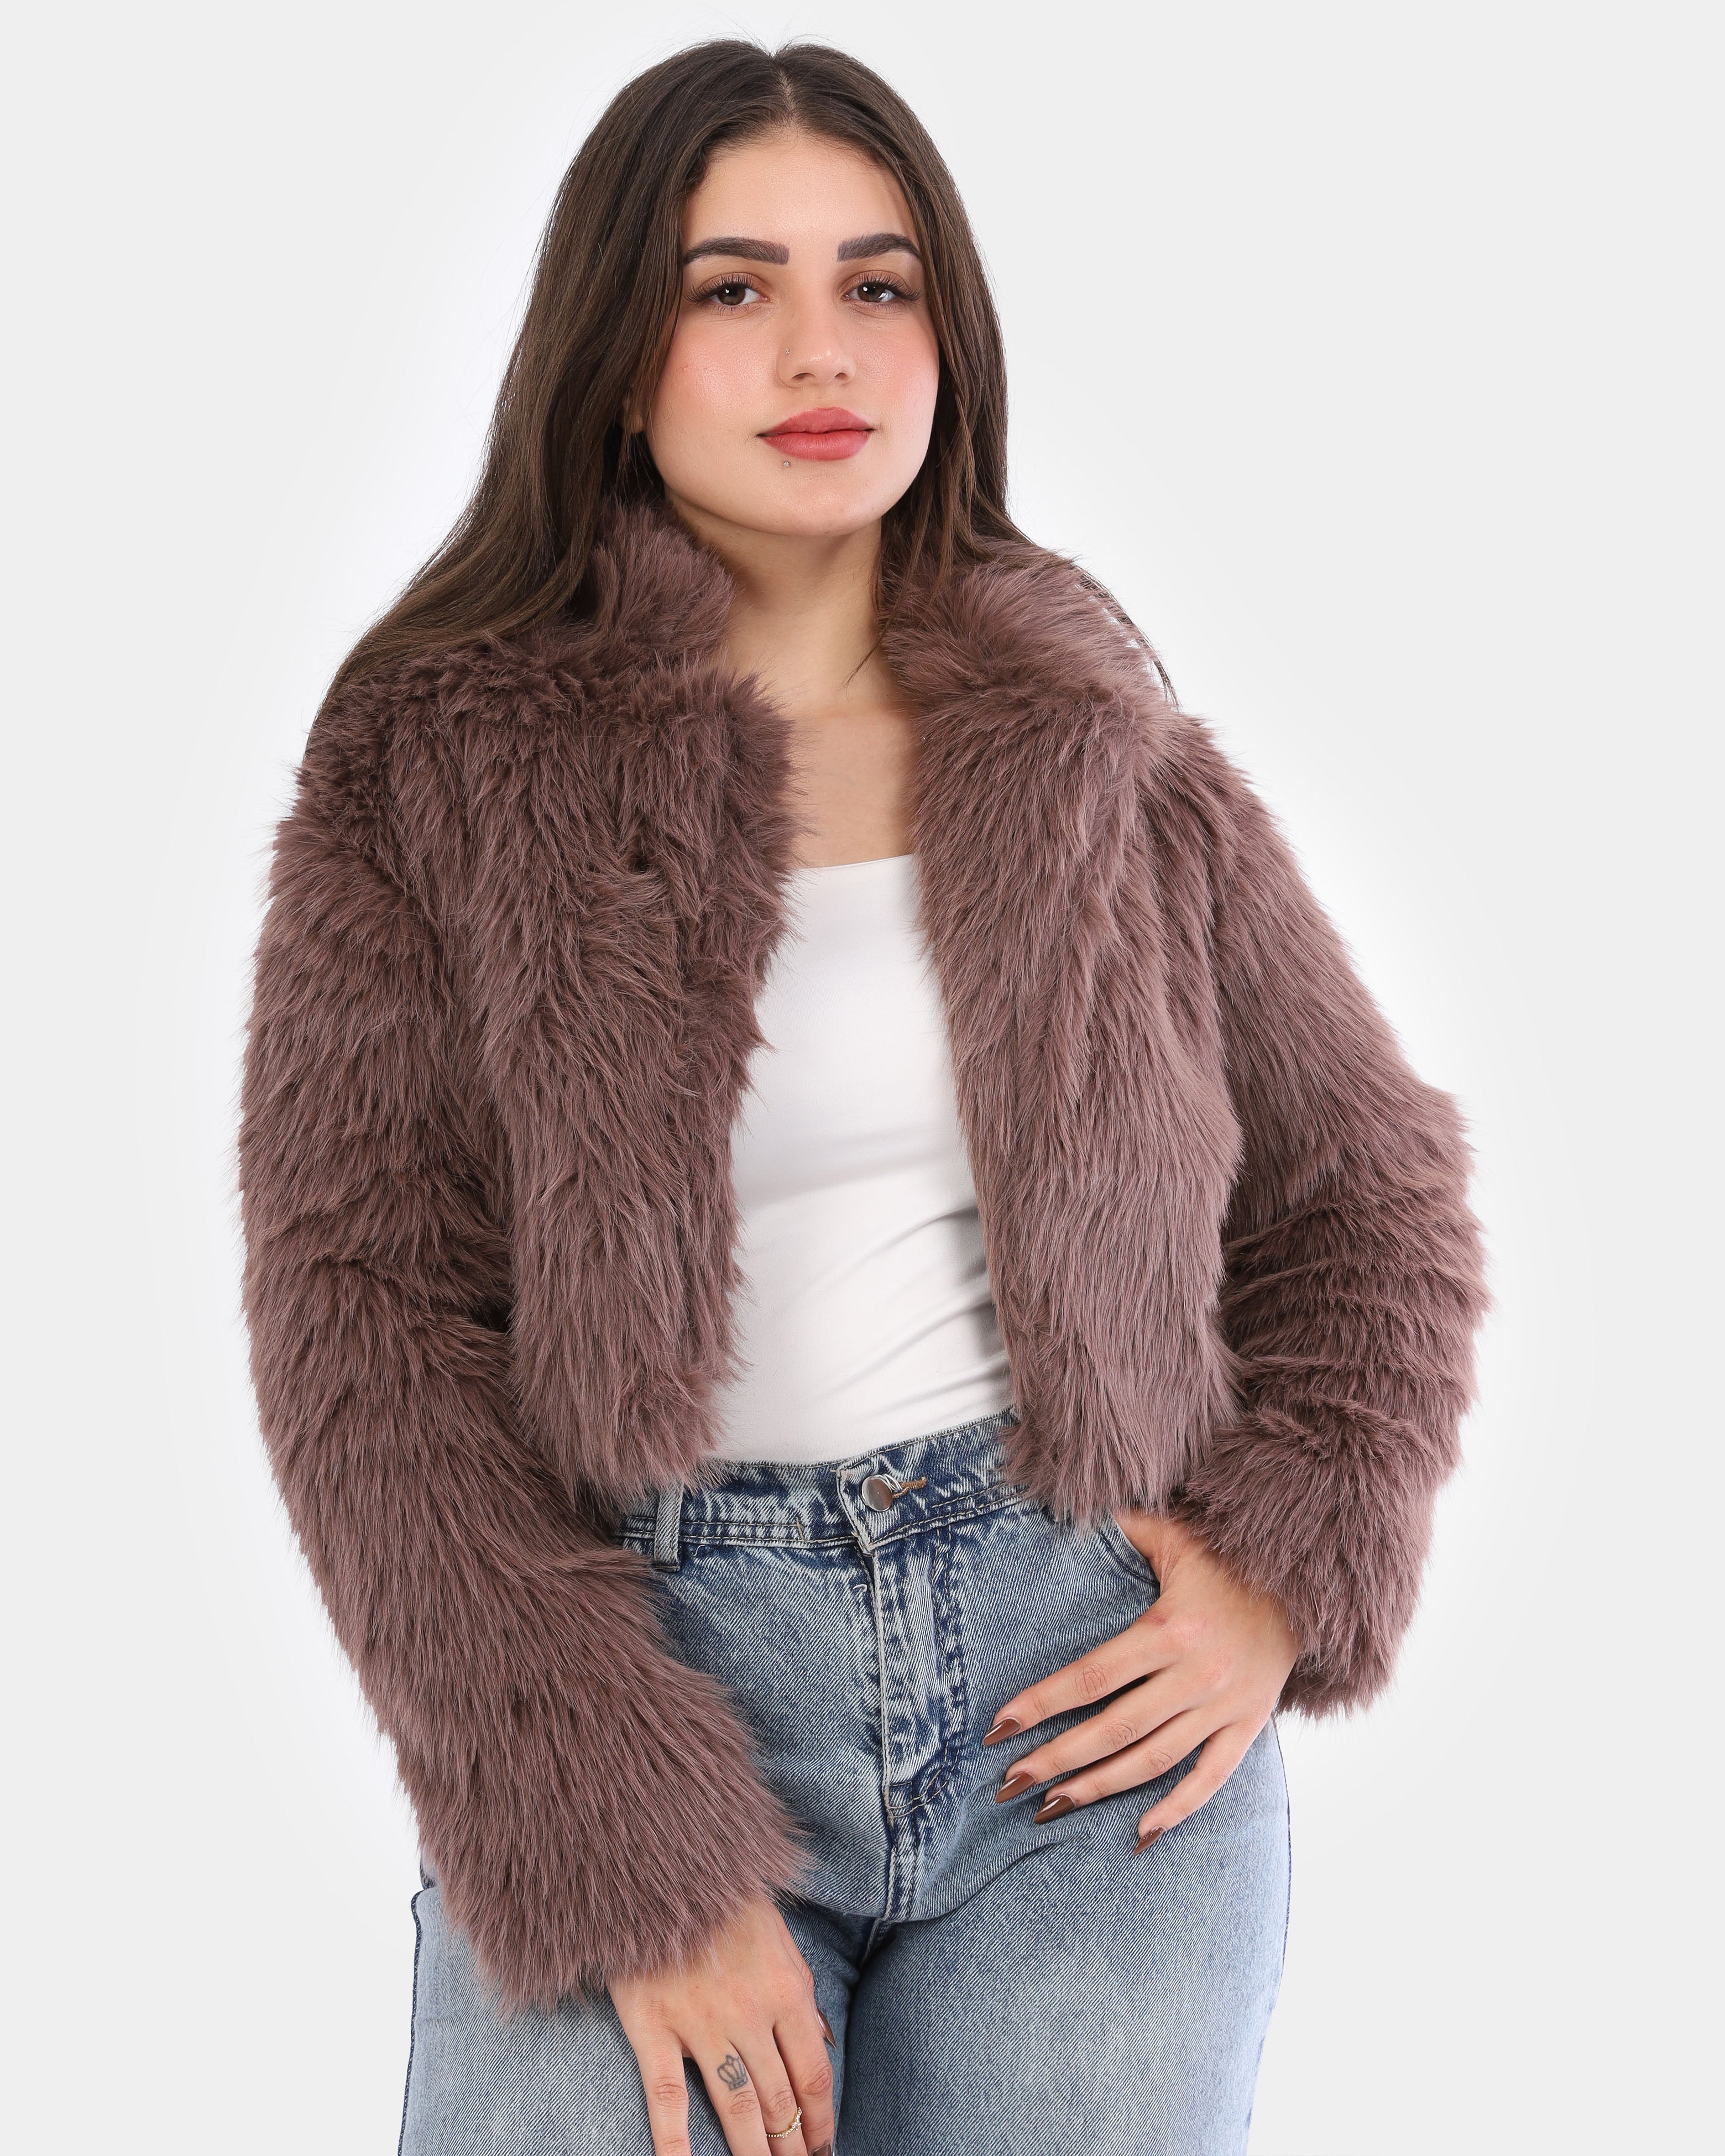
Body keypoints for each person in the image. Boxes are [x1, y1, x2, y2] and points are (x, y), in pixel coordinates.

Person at [238, 37, 1488, 2156]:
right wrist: (608, 1829)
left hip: (1081, 1714)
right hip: (646, 1676)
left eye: (878, 284)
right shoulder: (440, 760)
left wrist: (1283, 1573)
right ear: (614, 355)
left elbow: (1372, 1196)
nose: (820, 349)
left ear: (947, 335)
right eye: (733, 287)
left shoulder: (1098, 747)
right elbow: (362, 1323)